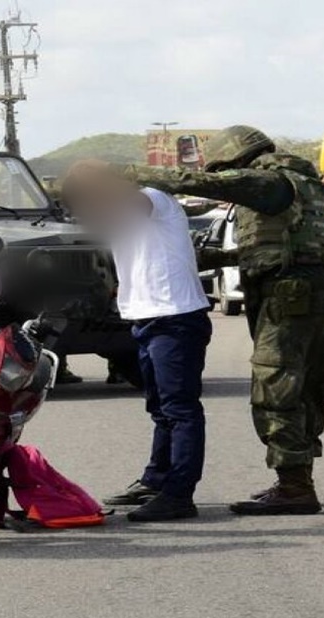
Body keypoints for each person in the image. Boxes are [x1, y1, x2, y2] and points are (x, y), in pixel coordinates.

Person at [131, 125, 324, 516]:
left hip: (289, 294)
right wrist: (219, 258)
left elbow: (202, 183)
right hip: (313, 288)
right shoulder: (303, 183)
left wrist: (130, 174)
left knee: (275, 387)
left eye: (225, 170)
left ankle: (295, 486)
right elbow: (288, 245)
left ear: (237, 160)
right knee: (306, 387)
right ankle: (295, 480)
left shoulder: (268, 181)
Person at [63, 161, 213, 522]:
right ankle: (156, 480)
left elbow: (126, 203)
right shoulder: (115, 211)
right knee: (159, 408)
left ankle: (179, 494)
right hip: (145, 318)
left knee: (180, 410)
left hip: (175, 317)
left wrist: (94, 180)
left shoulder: (153, 198)